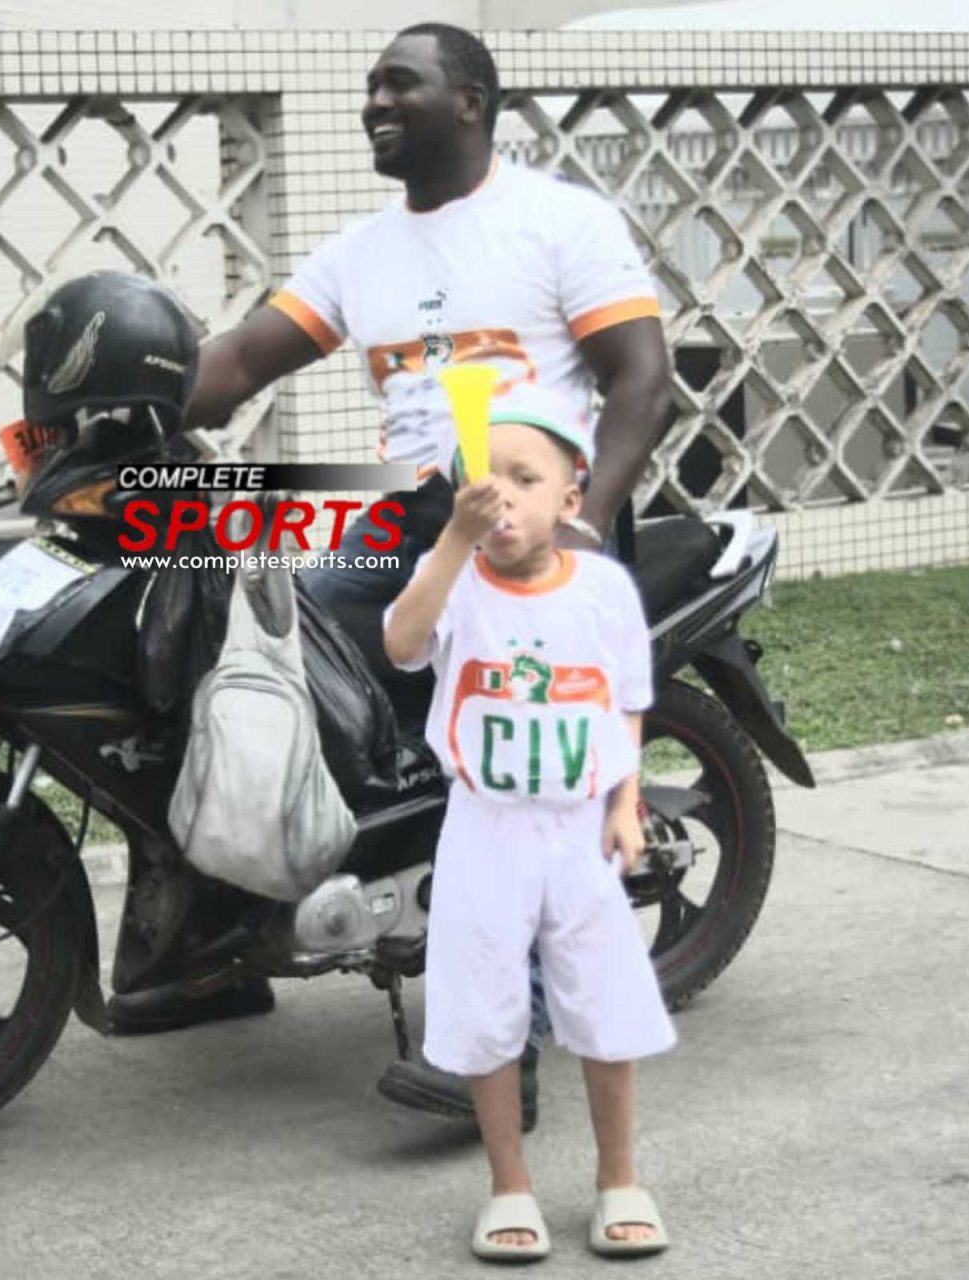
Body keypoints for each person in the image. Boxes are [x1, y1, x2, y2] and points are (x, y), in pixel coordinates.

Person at [105, 22, 675, 1131]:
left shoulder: (559, 221)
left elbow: (641, 378)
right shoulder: (361, 252)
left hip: (535, 527)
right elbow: (238, 362)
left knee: (509, 773)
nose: (374, 101)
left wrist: (585, 521)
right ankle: (213, 955)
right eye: (369, 85)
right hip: (411, 517)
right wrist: (111, 404)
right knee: (256, 659)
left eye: (398, 84)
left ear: (469, 101)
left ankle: (505, 1051)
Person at [383, 390, 673, 1260]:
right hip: (485, 828)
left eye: (525, 479)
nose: (501, 497)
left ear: (570, 499)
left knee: (604, 1001)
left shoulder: (604, 590)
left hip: (580, 829)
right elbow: (402, 643)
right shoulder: (454, 582)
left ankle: (620, 1178)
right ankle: (509, 1187)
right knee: (485, 1006)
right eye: (484, 482)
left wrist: (624, 802)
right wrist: (451, 541)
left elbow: (626, 700)